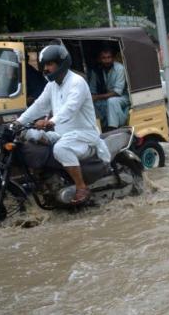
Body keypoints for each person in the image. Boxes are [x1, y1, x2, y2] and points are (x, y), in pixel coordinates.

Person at [17, 44, 111, 204]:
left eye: (49, 64)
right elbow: (39, 106)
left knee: (60, 149)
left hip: (84, 136)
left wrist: (50, 122)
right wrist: (18, 122)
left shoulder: (77, 82)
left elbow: (70, 109)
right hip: (62, 135)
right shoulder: (52, 85)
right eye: (44, 65)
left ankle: (82, 187)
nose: (46, 69)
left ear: (61, 64)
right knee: (29, 135)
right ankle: (43, 180)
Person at [88, 47, 129, 131]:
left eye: (109, 57)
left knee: (112, 101)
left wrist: (97, 97)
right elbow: (93, 91)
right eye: (104, 58)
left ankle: (112, 128)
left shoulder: (119, 68)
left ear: (113, 58)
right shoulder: (96, 71)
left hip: (122, 97)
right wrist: (93, 98)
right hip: (106, 97)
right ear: (99, 59)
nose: (107, 60)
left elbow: (118, 92)